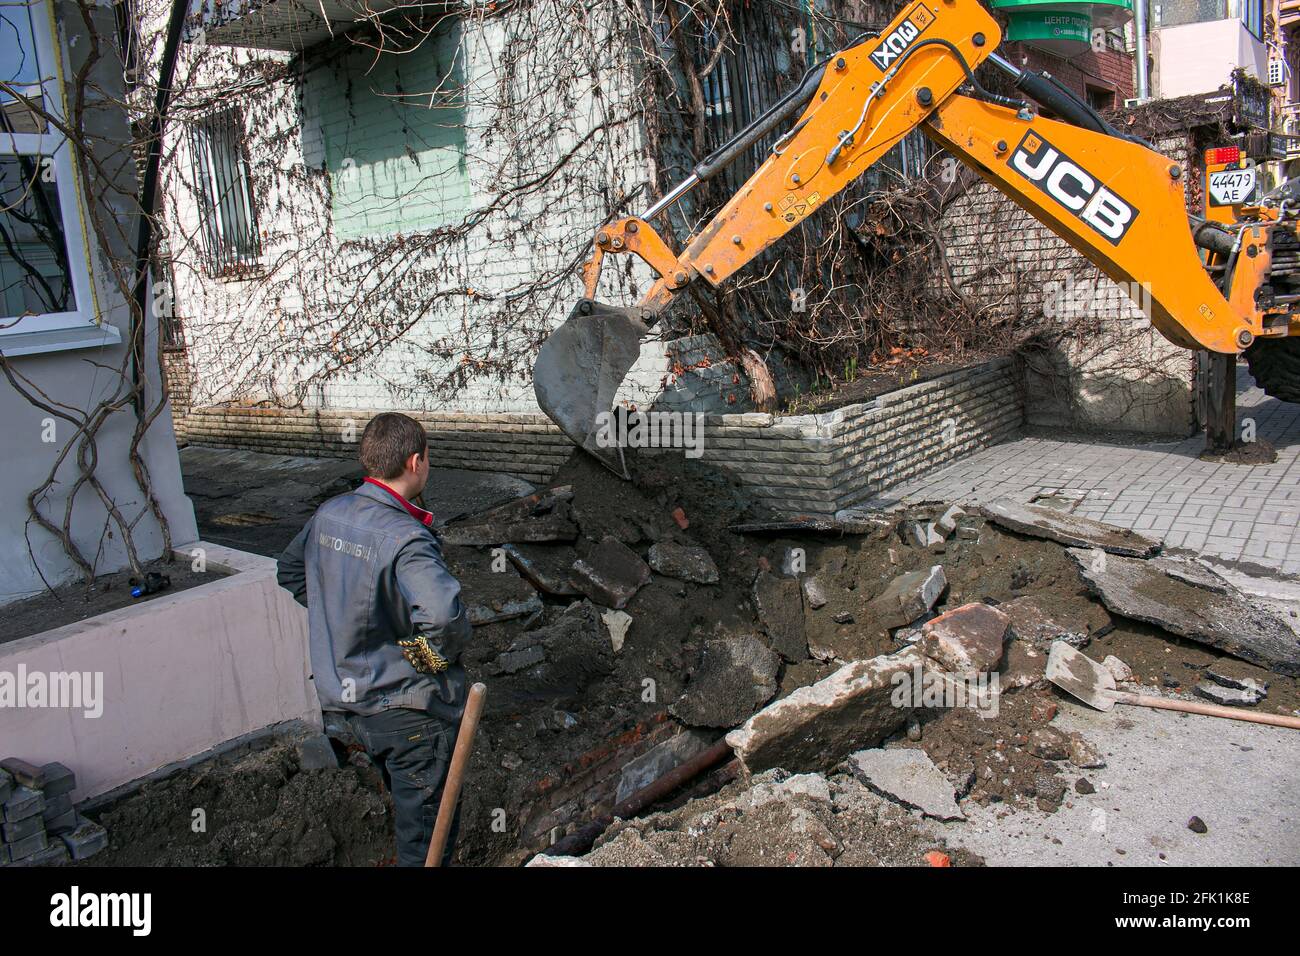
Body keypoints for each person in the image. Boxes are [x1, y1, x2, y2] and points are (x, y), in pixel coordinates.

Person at [277, 412, 472, 866]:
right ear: (416, 461)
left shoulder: (330, 513)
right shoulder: (406, 537)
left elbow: (289, 570)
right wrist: (426, 655)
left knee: (406, 810)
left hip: (342, 705)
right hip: (404, 713)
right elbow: (444, 618)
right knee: (426, 842)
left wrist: (344, 619)